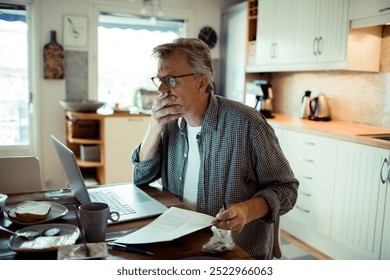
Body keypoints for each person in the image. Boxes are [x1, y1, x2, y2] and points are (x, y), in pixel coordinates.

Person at [131, 38, 299, 259]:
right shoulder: (170, 122)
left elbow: (287, 189)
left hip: (234, 253)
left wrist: (247, 210)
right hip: (181, 243)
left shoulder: (247, 124)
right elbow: (140, 178)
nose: (161, 89)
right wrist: (154, 128)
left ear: (202, 82)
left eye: (171, 80)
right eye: (159, 79)